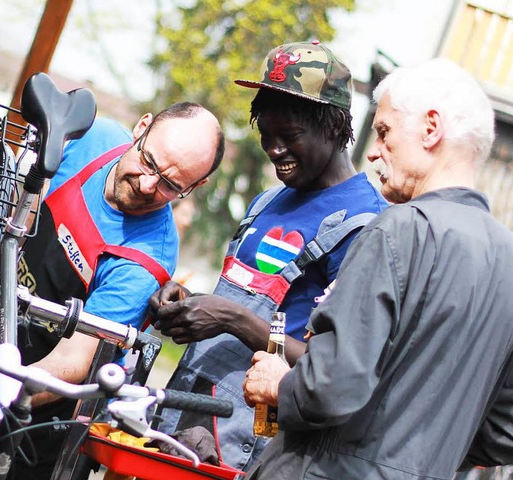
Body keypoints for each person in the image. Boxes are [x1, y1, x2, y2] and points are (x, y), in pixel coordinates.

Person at [242, 58, 513, 480]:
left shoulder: (398, 230)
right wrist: (424, 449)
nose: (374, 151)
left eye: (384, 132)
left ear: (431, 129)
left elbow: (330, 387)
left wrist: (279, 384)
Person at [148, 41, 387, 470]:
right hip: (186, 420)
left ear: (335, 127)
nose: (274, 150)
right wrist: (191, 303)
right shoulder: (267, 202)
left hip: (251, 445)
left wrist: (232, 319)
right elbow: (253, 299)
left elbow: (335, 367)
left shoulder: (367, 227)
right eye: (266, 134)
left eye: (290, 136)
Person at [0, 102, 225, 478]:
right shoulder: (94, 138)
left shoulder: (146, 259)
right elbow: (25, 205)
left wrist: (10, 387)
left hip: (33, 417)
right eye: (149, 162)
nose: (148, 185)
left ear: (195, 187)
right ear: (141, 127)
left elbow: (77, 357)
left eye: (170, 185)